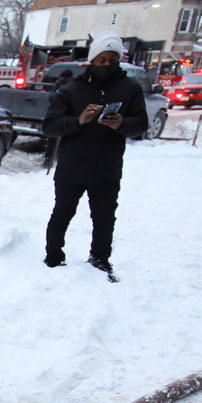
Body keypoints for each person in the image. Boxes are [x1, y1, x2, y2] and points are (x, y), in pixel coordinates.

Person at [42, 32, 147, 282]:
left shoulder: (130, 88)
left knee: (104, 218)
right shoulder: (71, 90)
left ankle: (100, 259)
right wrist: (78, 120)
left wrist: (121, 123)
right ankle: (53, 257)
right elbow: (50, 126)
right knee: (62, 212)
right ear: (92, 60)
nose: (106, 65)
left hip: (106, 168)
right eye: (101, 60)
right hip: (72, 166)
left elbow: (141, 123)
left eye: (112, 60)